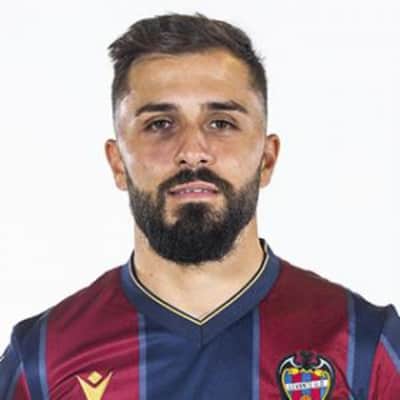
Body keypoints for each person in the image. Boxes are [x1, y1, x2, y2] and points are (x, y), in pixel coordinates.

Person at [0, 12, 399, 400]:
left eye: (221, 123)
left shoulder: (363, 346)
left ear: (267, 159)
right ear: (118, 163)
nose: (192, 151)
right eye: (160, 124)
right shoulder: (42, 359)